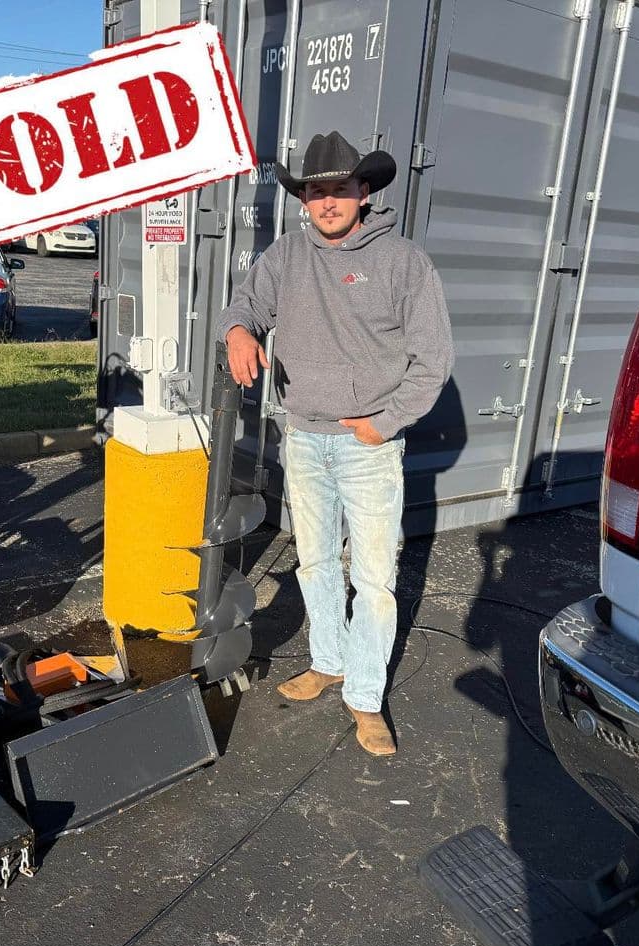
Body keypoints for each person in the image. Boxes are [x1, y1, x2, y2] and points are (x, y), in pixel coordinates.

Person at [218, 131, 454, 757]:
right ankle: (329, 662)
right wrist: (239, 331)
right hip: (303, 437)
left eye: (339, 190)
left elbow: (433, 361)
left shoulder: (404, 263)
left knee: (373, 580)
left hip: (367, 444)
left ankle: (367, 699)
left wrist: (386, 422)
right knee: (316, 562)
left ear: (364, 191)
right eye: (316, 192)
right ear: (304, 199)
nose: (327, 202)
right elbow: (245, 301)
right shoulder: (286, 256)